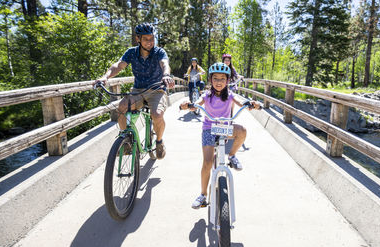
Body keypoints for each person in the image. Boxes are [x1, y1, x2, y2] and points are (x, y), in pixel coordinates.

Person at [180, 62, 261, 209]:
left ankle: (232, 156)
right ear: (210, 80)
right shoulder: (207, 95)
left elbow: (241, 101)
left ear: (228, 80)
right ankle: (203, 195)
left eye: (222, 79)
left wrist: (250, 103)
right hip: (209, 129)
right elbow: (198, 102)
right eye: (215, 78)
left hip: (225, 128)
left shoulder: (230, 95)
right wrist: (190, 104)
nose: (218, 82)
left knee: (242, 131)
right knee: (207, 163)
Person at [94, 23, 174, 159]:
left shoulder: (159, 52)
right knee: (121, 107)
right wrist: (105, 77)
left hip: (156, 90)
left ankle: (159, 141)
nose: (150, 42)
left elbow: (164, 64)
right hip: (138, 91)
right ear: (138, 39)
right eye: (146, 39)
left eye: (152, 38)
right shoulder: (132, 52)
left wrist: (166, 75)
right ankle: (126, 141)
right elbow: (118, 66)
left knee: (157, 114)